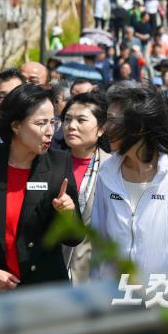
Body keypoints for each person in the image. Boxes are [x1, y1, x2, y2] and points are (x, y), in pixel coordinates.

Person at [0, 84, 82, 294]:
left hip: (41, 291)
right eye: (41, 123)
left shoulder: (59, 164)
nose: (50, 131)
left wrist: (67, 214)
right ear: (16, 125)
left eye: (52, 122)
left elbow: (74, 238)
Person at [91, 82, 168, 279]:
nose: (105, 128)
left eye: (113, 120)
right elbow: (100, 242)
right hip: (116, 298)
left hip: (167, 299)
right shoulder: (107, 172)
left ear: (139, 126)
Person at [60, 91, 110, 284]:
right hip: (53, 274)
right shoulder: (48, 164)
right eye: (67, 119)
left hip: (95, 274)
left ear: (101, 129)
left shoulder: (113, 169)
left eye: (81, 120)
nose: (71, 126)